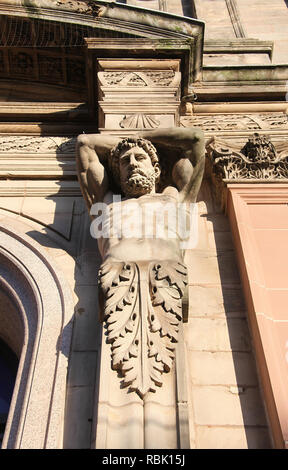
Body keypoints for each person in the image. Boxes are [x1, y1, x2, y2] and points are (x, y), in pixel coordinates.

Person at [76, 127, 205, 262]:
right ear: (119, 175)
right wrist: (131, 142)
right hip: (117, 274)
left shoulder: (176, 196)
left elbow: (196, 138)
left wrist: (140, 136)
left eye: (139, 158)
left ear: (156, 170)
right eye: (125, 161)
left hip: (167, 272)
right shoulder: (107, 202)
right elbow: (84, 143)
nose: (132, 163)